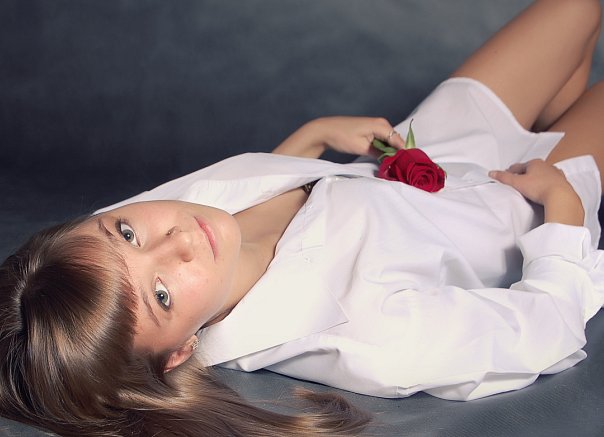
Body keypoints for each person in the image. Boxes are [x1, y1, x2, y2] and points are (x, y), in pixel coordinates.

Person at [1, 0, 603, 435]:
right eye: (161, 294)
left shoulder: (172, 229)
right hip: (517, 207)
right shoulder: (364, 336)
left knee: (575, 9)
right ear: (180, 352)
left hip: (435, 146)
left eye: (127, 232)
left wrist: (311, 139)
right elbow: (540, 334)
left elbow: (252, 204)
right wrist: (564, 214)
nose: (176, 239)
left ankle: (562, 120)